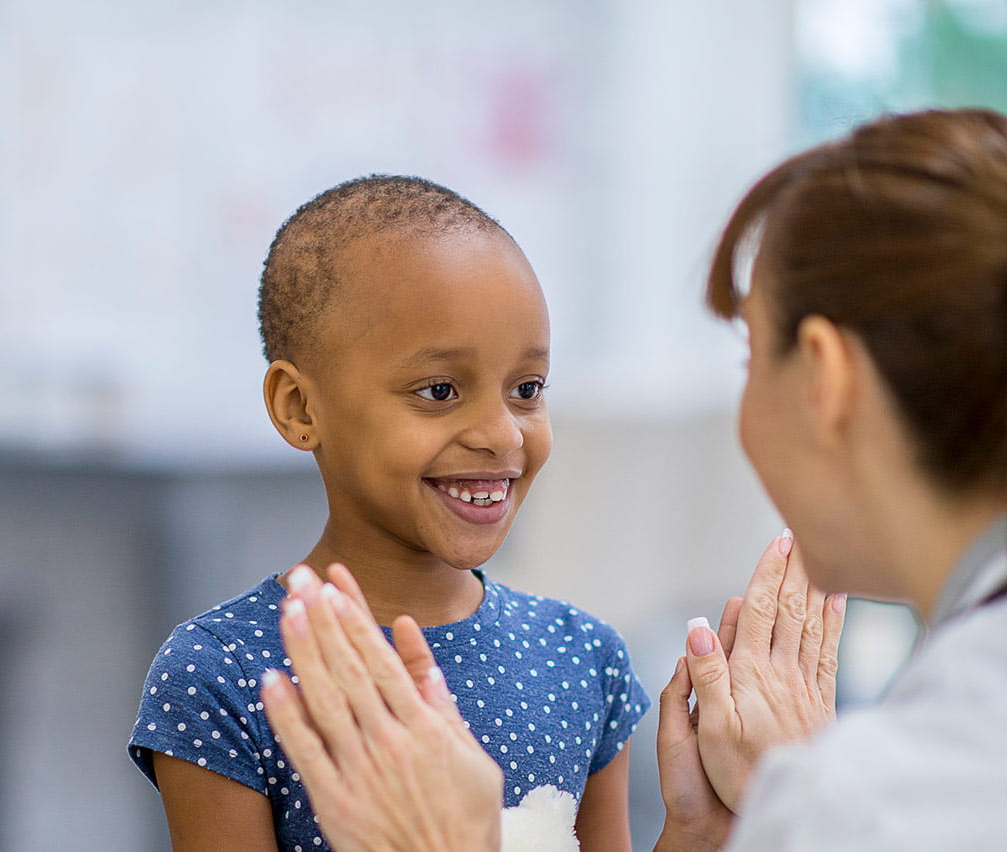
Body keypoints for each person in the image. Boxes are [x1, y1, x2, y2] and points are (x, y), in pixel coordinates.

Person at [260, 107, 1007, 851]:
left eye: (749, 356)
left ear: (823, 379)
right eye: (440, 390)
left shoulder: (884, 794)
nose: (497, 434)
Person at [128, 176, 652, 852]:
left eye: (527, 389)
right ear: (299, 407)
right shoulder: (225, 673)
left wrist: (701, 831)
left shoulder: (584, 659)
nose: (502, 434)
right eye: (439, 391)